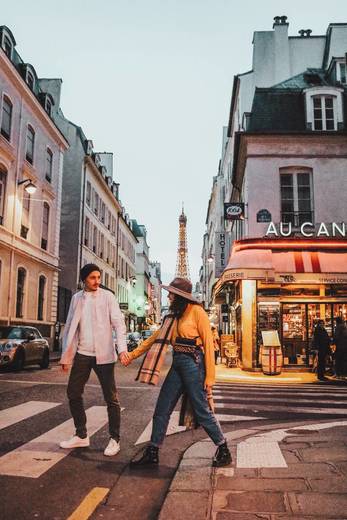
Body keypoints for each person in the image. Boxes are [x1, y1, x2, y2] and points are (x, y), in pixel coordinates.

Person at [123, 277, 231, 468]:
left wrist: (210, 378)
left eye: (171, 293)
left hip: (193, 363)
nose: (168, 296)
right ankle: (153, 452)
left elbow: (208, 344)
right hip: (178, 363)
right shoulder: (172, 316)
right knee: (162, 408)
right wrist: (132, 355)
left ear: (180, 296)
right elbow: (153, 340)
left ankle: (223, 448)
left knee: (201, 409)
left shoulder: (197, 312)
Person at [59, 263, 128, 456]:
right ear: (84, 280)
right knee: (73, 392)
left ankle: (115, 439)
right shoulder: (76, 299)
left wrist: (122, 349)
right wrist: (67, 356)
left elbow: (119, 325)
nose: (97, 281)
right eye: (92, 278)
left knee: (111, 398)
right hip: (82, 353)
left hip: (104, 354)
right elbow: (71, 327)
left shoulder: (108, 297)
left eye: (98, 277)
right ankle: (81, 435)